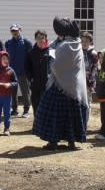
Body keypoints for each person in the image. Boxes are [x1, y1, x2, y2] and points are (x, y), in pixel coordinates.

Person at [33, 17, 88, 151]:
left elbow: (56, 65)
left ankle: (53, 142)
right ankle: (71, 142)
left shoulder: (65, 45)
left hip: (60, 87)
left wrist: (51, 58)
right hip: (73, 88)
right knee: (71, 117)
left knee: (54, 115)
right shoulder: (76, 43)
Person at [5, 23, 33, 117]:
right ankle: (14, 109)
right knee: (13, 92)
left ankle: (26, 110)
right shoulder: (8, 43)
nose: (15, 32)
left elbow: (31, 57)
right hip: (12, 72)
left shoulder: (26, 42)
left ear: (20, 30)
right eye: (13, 31)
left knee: (25, 92)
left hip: (23, 72)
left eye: (16, 30)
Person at [0, 51, 18, 136]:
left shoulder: (11, 71)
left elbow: (15, 82)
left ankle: (7, 128)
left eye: (6, 59)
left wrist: (10, 84)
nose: (5, 60)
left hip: (7, 96)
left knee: (7, 113)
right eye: (3, 59)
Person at [24, 29, 50, 119]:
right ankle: (37, 124)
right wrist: (30, 78)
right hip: (35, 85)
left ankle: (45, 126)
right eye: (38, 38)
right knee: (36, 104)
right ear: (35, 39)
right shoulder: (31, 52)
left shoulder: (50, 52)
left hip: (47, 84)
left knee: (46, 105)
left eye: (42, 38)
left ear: (45, 39)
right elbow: (27, 68)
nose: (40, 40)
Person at [80, 31, 98, 128]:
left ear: (90, 42)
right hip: (78, 82)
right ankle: (79, 123)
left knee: (87, 104)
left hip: (88, 82)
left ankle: (84, 124)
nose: (84, 43)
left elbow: (94, 69)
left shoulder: (93, 53)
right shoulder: (78, 52)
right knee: (78, 103)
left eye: (86, 41)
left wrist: (90, 83)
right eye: (82, 41)